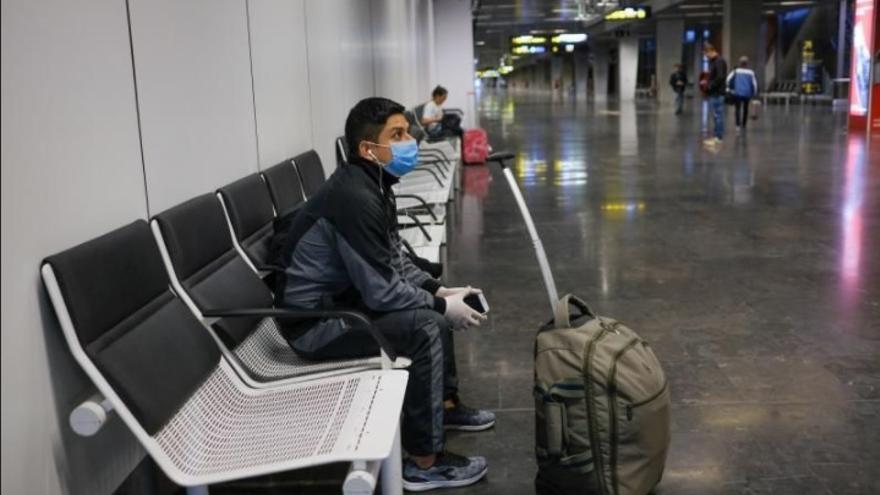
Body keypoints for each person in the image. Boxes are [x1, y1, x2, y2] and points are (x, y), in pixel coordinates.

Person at [277, 97, 493, 492]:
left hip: (346, 305)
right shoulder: (355, 199)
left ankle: (444, 408)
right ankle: (425, 463)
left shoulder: (375, 184)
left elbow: (393, 261)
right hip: (317, 325)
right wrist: (440, 306)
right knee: (426, 325)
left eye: (407, 131)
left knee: (431, 311)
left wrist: (438, 289)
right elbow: (380, 291)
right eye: (397, 135)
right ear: (367, 149)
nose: (410, 140)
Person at [703, 43, 728, 148]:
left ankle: (718, 137)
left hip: (717, 93)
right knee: (716, 115)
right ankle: (717, 136)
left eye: (706, 54)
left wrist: (710, 86)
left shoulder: (719, 61)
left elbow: (720, 76)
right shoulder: (715, 62)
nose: (706, 56)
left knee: (718, 115)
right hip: (715, 92)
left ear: (710, 51)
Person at [726, 56, 759, 133]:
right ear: (747, 63)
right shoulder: (751, 72)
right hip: (747, 93)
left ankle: (737, 125)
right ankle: (744, 124)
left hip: (737, 93)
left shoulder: (736, 71)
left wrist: (729, 89)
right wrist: (754, 93)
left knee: (737, 109)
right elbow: (754, 84)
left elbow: (728, 80)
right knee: (745, 109)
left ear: (739, 63)